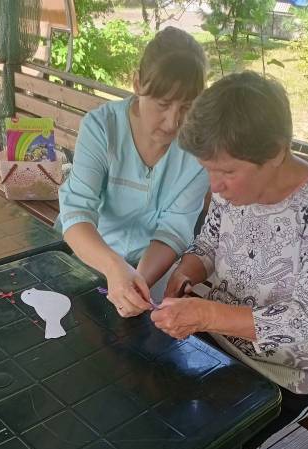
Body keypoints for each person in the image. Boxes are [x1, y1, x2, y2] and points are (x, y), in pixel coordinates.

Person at [151, 71, 308, 449]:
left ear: (276, 152)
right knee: (161, 419)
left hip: (286, 374)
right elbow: (209, 243)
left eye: (226, 172)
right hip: (220, 347)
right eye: (208, 170)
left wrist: (206, 314)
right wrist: (186, 270)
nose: (215, 186)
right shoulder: (233, 190)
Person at [56, 27, 209, 317]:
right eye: (163, 104)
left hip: (152, 266)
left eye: (187, 107)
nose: (173, 122)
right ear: (138, 83)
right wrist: (114, 267)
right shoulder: (102, 128)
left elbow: (174, 229)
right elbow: (76, 212)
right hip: (91, 253)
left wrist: (138, 284)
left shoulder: (198, 150)